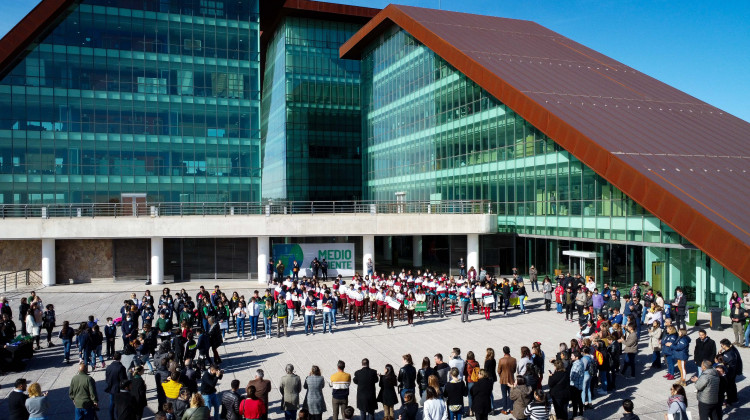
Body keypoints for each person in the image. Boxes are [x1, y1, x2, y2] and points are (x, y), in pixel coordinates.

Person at [105, 351, 128, 420]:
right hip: (118, 389)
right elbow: (123, 379)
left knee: (112, 404)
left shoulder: (108, 367)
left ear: (113, 358)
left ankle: (111, 418)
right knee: (119, 405)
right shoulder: (121, 367)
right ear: (120, 358)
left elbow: (107, 378)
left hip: (111, 388)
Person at [497, 346, 516, 415]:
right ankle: (512, 409)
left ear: (503, 352)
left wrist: (501, 375)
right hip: (511, 379)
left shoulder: (501, 360)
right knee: (511, 395)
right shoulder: (514, 360)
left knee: (504, 395)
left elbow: (498, 370)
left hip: (503, 380)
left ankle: (504, 409)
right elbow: (514, 370)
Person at [568, 352, 585, 418]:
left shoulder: (576, 365)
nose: (571, 356)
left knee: (574, 401)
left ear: (577, 357)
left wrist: (569, 378)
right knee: (579, 399)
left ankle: (575, 415)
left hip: (575, 385)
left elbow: (573, 377)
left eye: (572, 355)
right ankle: (581, 413)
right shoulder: (580, 362)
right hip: (579, 384)